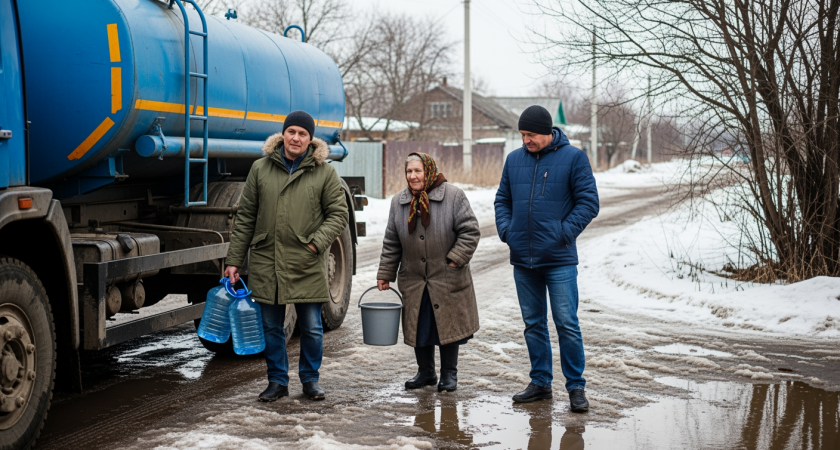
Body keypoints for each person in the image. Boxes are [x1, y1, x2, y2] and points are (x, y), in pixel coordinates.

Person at [224, 110, 348, 402]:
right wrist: (234, 261)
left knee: (312, 328)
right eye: (291, 131)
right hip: (268, 259)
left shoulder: (325, 172)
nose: (296, 138)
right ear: (283, 135)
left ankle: (310, 379)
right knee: (271, 326)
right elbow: (245, 218)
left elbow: (338, 214)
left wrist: (316, 245)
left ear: (310, 139)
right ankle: (277, 381)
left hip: (307, 260)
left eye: (302, 133)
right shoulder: (260, 169)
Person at [494, 105, 599, 411]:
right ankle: (540, 383)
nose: (526, 140)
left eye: (531, 135)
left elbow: (589, 202)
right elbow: (502, 200)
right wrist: (506, 231)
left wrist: (563, 233)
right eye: (522, 134)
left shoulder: (574, 158)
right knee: (533, 323)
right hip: (523, 259)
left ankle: (576, 388)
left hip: (559, 258)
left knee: (566, 322)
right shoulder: (514, 160)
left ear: (548, 132)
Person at [376, 152, 480, 392]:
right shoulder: (399, 201)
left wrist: (455, 260)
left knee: (446, 326)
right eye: (409, 172)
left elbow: (470, 231)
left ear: (429, 171)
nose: (413, 176)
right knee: (419, 325)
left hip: (446, 276)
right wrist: (385, 273)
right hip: (414, 277)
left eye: (418, 171)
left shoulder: (453, 196)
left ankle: (449, 374)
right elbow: (392, 241)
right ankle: (426, 373)